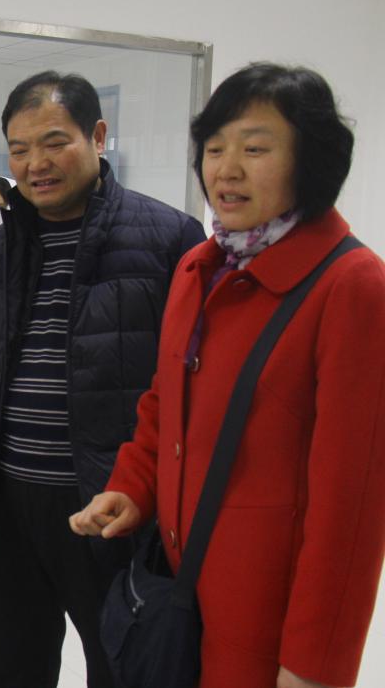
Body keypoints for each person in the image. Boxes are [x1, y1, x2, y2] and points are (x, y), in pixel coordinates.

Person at [71, 63, 385, 688]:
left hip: (265, 617)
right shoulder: (199, 267)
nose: (226, 169)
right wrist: (133, 486)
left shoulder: (352, 287)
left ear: (311, 162)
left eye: (255, 149)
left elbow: (350, 510)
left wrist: (314, 664)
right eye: (214, 149)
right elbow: (164, 403)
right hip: (180, 588)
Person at [0, 71, 206, 687]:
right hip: (7, 505)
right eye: (19, 149)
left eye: (54, 142)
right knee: (12, 667)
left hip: (111, 508)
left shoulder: (170, 240)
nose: (36, 164)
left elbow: (191, 392)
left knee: (121, 666)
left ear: (98, 136)